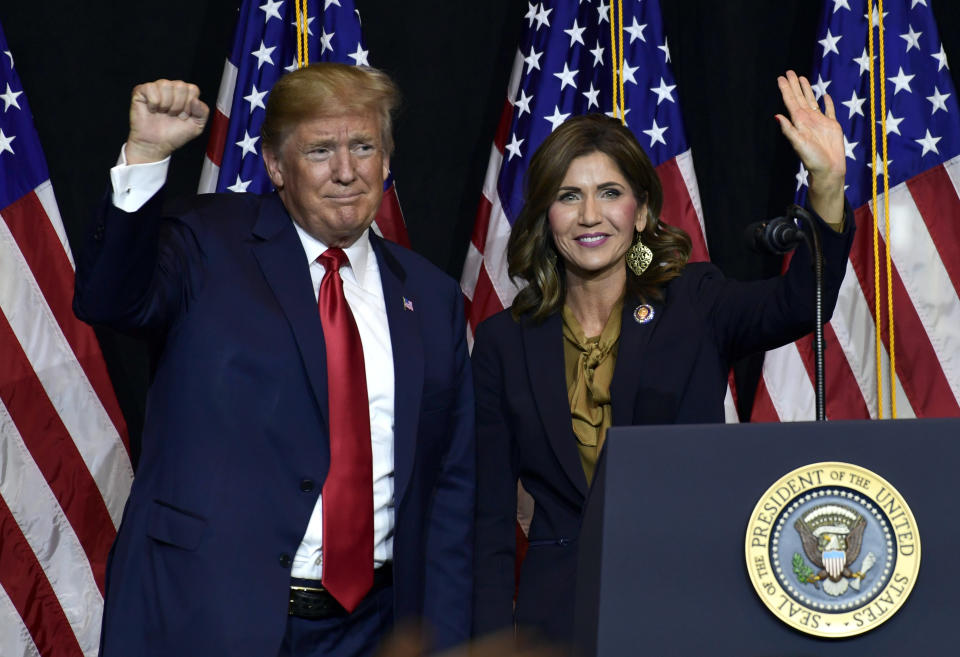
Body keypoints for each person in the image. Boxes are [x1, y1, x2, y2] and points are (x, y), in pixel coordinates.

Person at [73, 63, 474, 657]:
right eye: (319, 150)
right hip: (211, 616)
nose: (345, 171)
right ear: (275, 166)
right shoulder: (205, 242)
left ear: (386, 162)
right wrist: (147, 155)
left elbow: (449, 489)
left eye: (363, 146)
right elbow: (110, 299)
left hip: (375, 631)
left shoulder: (432, 297)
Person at [470, 71, 853, 644]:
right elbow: (489, 521)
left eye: (610, 193)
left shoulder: (694, 302)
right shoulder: (505, 341)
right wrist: (492, 647)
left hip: (685, 608)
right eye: (568, 196)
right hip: (557, 623)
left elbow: (799, 304)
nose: (590, 215)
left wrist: (826, 186)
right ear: (547, 218)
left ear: (642, 212)